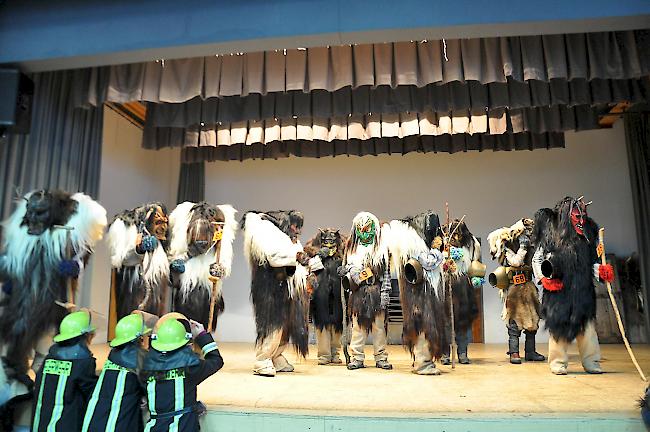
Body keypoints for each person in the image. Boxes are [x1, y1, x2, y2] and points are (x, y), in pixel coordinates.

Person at [532, 196, 613, 375]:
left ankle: (591, 361)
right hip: (558, 291)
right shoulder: (551, 233)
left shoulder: (587, 237)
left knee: (587, 329)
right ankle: (558, 362)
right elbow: (537, 258)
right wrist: (544, 278)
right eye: (577, 216)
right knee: (558, 328)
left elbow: (589, 263)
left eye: (583, 215)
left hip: (583, 291)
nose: (581, 219)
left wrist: (600, 271)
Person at [241, 210, 310, 377]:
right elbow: (275, 257)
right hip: (271, 287)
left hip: (287, 287)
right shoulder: (267, 232)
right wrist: (297, 257)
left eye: (299, 226)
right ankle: (263, 358)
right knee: (273, 324)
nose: (298, 230)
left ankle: (276, 355)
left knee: (286, 325)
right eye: (295, 225)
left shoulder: (288, 239)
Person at [386, 211, 448, 375]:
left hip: (421, 292)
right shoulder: (413, 245)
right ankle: (423, 363)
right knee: (423, 327)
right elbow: (428, 262)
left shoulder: (412, 243)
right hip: (420, 293)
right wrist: (436, 250)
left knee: (423, 326)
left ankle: (421, 361)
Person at [142, 314, 223, 431]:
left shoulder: (146, 368)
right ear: (185, 342)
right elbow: (216, 361)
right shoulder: (192, 367)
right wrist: (202, 335)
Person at [167, 202, 238, 329]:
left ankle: (202, 342)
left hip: (207, 287)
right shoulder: (184, 250)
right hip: (187, 285)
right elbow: (175, 263)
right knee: (185, 316)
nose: (202, 240)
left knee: (205, 318)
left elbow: (224, 262)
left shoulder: (217, 248)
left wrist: (220, 269)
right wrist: (177, 267)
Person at [487, 218, 546, 364]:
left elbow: (535, 262)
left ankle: (530, 352)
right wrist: (523, 248)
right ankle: (514, 352)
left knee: (532, 319)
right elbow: (516, 262)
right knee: (514, 321)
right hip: (514, 289)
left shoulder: (532, 245)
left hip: (529, 287)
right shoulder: (507, 246)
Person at [82, 312, 152, 432]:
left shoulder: (113, 354)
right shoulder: (139, 358)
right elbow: (152, 389)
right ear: (139, 337)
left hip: (94, 421)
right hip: (118, 424)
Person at [340, 212, 392, 371]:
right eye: (360, 227)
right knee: (358, 327)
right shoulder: (351, 249)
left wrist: (385, 294)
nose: (363, 231)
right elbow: (345, 268)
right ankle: (357, 357)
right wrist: (350, 271)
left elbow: (386, 274)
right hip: (358, 293)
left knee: (379, 327)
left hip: (376, 290)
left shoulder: (381, 249)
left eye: (367, 227)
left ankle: (381, 357)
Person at [32, 309, 98, 432]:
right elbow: (92, 393)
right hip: (65, 425)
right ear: (84, 336)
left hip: (40, 423)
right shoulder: (83, 361)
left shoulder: (50, 356)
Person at [304, 228, 346, 365]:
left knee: (337, 322)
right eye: (326, 240)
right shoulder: (313, 252)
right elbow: (307, 267)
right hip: (320, 292)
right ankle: (323, 354)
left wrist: (345, 270)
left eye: (332, 240)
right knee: (321, 323)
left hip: (338, 292)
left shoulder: (343, 253)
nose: (329, 242)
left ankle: (335, 352)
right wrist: (318, 256)